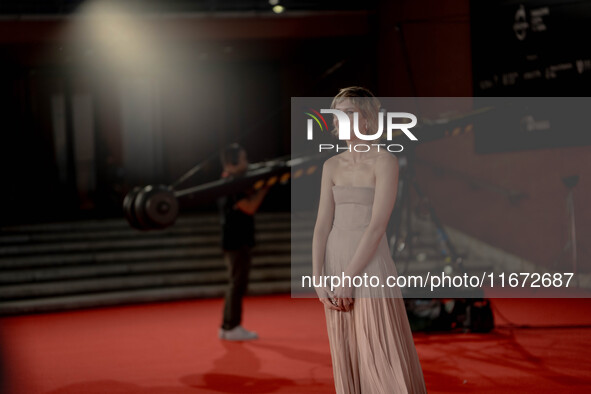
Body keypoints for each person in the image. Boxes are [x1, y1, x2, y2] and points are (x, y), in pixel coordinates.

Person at [312, 87, 428, 393]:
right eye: (336, 113)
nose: (339, 119)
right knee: (348, 349)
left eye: (347, 111)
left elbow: (377, 225)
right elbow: (322, 224)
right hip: (336, 261)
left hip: (370, 264)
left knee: (380, 351)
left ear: (365, 118)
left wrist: (349, 277)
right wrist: (317, 276)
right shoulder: (330, 166)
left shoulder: (384, 162)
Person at [217, 143, 270, 341]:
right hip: (235, 240)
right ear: (232, 162)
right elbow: (249, 207)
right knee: (237, 283)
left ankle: (228, 325)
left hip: (236, 238)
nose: (247, 163)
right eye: (243, 159)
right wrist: (265, 188)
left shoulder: (231, 181)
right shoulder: (231, 184)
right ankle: (232, 325)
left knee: (236, 283)